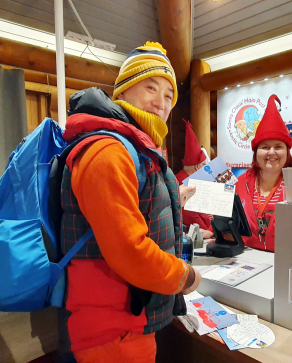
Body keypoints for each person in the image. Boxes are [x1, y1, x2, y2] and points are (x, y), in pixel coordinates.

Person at [60, 41, 201, 363]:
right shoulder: (108, 150)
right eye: (150, 88)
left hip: (129, 313)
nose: (161, 102)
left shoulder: (133, 147)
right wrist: (185, 276)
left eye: (169, 95)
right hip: (113, 324)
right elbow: (128, 249)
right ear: (121, 93)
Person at [235, 95, 292, 252]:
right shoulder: (241, 183)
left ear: (287, 152)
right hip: (247, 260)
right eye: (265, 147)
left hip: (286, 261)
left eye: (278, 146)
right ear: (256, 152)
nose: (271, 152)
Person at [174, 119, 214, 238]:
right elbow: (191, 217)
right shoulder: (183, 182)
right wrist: (211, 231)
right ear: (197, 167)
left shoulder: (192, 179)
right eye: (204, 166)